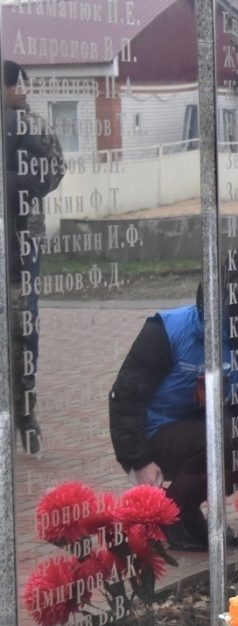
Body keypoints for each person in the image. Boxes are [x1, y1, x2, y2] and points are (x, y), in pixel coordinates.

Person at [109, 250, 238, 551]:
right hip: (156, 434)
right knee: (219, 437)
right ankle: (169, 517)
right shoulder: (169, 329)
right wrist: (139, 460)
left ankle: (184, 511)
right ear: (236, 294)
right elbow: (124, 398)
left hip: (211, 429)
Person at [3, 59, 64, 455]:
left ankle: (25, 411)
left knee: (24, 321)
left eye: (21, 84)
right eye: (15, 84)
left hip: (22, 238)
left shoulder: (33, 125)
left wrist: (14, 185)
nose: (21, 90)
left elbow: (56, 167)